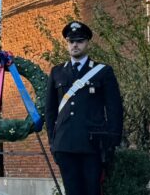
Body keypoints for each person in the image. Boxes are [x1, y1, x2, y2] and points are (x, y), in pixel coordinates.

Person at [45, 21, 124, 195]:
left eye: (79, 41)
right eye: (71, 41)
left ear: (87, 43)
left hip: (92, 145)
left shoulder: (102, 71)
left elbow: (114, 109)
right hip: (64, 144)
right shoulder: (57, 72)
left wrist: (111, 142)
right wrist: (53, 141)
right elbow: (50, 111)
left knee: (92, 190)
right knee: (72, 191)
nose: (74, 45)